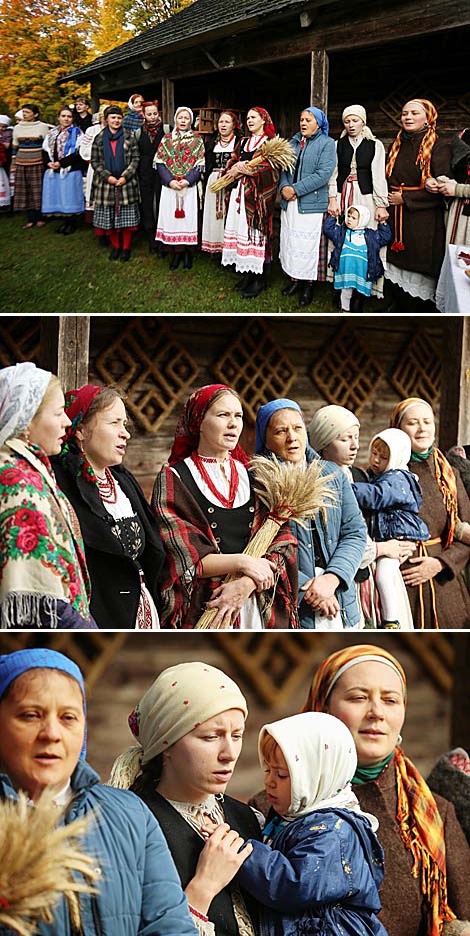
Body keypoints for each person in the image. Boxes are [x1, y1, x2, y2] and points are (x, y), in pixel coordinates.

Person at [0, 647, 198, 936]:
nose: (52, 734)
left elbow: (170, 926)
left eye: (68, 718)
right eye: (30, 715)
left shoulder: (130, 814)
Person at [303, 644, 470, 936]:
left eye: (391, 700)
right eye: (358, 698)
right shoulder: (276, 808)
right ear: (323, 707)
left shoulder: (435, 814)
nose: (377, 713)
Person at [109, 661, 260, 936]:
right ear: (167, 743)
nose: (229, 753)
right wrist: (204, 886)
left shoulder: (247, 817)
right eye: (211, 736)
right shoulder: (133, 824)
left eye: (237, 735)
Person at [152, 383, 298, 629]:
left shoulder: (257, 475)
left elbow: (283, 541)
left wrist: (246, 584)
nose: (233, 424)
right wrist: (242, 563)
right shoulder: (174, 478)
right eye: (223, 415)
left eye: (238, 416)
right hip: (205, 606)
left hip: (256, 604)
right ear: (198, 421)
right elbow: (182, 555)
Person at [237, 711, 387, 936]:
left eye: (282, 775)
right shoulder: (292, 817)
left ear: (317, 777)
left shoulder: (333, 833)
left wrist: (242, 852)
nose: (269, 781)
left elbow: (293, 885)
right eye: (267, 770)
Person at [52, 384, 165, 630]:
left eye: (124, 425)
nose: (125, 434)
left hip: (141, 611)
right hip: (96, 615)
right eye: (114, 423)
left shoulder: (123, 481)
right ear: (80, 429)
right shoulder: (60, 485)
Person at [255, 398, 367, 629]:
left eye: (297, 428)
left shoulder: (331, 474)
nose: (292, 437)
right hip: (292, 600)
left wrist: (332, 578)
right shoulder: (257, 483)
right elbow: (260, 547)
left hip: (340, 596)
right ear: (265, 439)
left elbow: (355, 532)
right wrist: (310, 589)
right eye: (280, 431)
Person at [0, 363, 94, 629]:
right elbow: (40, 599)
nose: (67, 421)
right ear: (26, 420)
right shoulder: (16, 480)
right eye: (58, 413)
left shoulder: (33, 470)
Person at [309, 404, 417, 629]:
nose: (354, 445)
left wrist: (402, 543)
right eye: (345, 439)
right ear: (324, 441)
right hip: (336, 580)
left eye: (356, 437)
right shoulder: (316, 483)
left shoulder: (359, 476)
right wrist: (384, 548)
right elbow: (333, 543)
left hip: (369, 578)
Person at [390, 397, 470, 627]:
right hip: (402, 577)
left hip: (444, 581)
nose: (422, 428)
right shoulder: (386, 473)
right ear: (398, 430)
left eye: (427, 421)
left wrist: (440, 564)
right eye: (413, 423)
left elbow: (466, 532)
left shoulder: (449, 474)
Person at [351, 428, 429, 629]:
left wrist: (347, 487)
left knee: (385, 575)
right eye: (374, 454)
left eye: (383, 457)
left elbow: (376, 496)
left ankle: (391, 620)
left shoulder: (397, 478)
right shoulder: (382, 475)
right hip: (390, 536)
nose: (376, 460)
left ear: (396, 458)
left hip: (399, 536)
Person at [385, 99, 450, 309]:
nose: (408, 117)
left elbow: (442, 188)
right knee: (396, 261)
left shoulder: (438, 146)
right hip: (396, 213)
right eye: (405, 114)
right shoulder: (397, 144)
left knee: (418, 263)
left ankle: (417, 308)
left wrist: (405, 198)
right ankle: (397, 303)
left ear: (427, 118)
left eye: (414, 113)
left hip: (422, 219)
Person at [328, 104, 390, 302]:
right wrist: (333, 198)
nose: (351, 124)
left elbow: (379, 176)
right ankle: (341, 283)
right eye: (347, 121)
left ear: (363, 121)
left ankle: (362, 287)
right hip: (343, 195)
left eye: (355, 120)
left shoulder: (374, 145)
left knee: (365, 239)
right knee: (342, 237)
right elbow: (334, 174)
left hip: (366, 197)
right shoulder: (339, 145)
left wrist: (381, 204)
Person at [279, 106, 336, 308]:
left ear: (319, 123)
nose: (303, 123)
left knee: (308, 246)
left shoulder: (327, 144)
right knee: (292, 242)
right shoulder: (294, 142)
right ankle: (295, 279)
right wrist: (285, 186)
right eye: (302, 119)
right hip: (291, 203)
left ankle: (308, 285)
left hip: (310, 204)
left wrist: (295, 189)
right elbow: (284, 168)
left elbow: (323, 174)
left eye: (308, 120)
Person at [221, 106, 278, 299]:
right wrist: (233, 167)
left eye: (253, 117)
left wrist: (250, 171)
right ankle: (247, 273)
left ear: (263, 120)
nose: (249, 121)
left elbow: (273, 170)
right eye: (247, 118)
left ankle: (259, 278)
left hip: (257, 197)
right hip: (240, 193)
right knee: (241, 232)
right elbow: (234, 159)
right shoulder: (243, 141)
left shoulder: (271, 143)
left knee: (255, 234)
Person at [154, 106, 205, 270]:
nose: (183, 121)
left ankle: (188, 254)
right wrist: (170, 181)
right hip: (170, 188)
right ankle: (176, 254)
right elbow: (160, 162)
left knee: (188, 221)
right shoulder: (166, 139)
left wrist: (187, 180)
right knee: (172, 221)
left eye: (186, 118)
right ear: (175, 119)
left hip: (188, 189)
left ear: (191, 121)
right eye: (180, 117)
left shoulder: (197, 140)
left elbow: (200, 164)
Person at [91, 105, 140, 262]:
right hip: (106, 184)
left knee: (126, 219)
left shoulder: (129, 136)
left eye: (119, 117)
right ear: (106, 120)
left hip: (126, 182)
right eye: (113, 117)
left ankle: (126, 248)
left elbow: (135, 159)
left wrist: (125, 176)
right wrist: (108, 177)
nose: (116, 120)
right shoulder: (99, 138)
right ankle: (116, 247)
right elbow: (95, 161)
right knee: (110, 218)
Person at [323, 204, 392, 312]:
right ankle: (345, 309)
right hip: (346, 271)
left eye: (354, 218)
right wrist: (332, 217)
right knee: (346, 291)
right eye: (348, 216)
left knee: (360, 291)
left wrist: (383, 223)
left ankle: (356, 306)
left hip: (362, 272)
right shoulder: (342, 232)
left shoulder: (371, 236)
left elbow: (385, 237)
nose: (349, 219)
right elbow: (328, 230)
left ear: (363, 220)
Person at [201, 111, 241, 256]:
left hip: (232, 181)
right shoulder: (211, 143)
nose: (223, 125)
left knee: (229, 212)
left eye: (227, 122)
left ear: (234, 125)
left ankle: (229, 248)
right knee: (214, 213)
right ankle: (215, 246)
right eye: (221, 122)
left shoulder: (239, 142)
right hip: (214, 180)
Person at [41, 106, 85, 235]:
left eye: (69, 116)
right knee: (60, 195)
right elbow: (45, 149)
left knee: (69, 196)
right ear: (58, 117)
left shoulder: (77, 133)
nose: (66, 119)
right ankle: (64, 221)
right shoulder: (52, 132)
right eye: (63, 116)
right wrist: (48, 163)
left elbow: (77, 152)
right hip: (53, 168)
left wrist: (61, 163)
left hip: (69, 169)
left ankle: (72, 223)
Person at [11, 104, 50, 228]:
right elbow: (14, 147)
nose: (24, 114)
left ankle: (40, 218)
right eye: (23, 112)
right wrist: (13, 163)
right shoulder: (17, 128)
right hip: (21, 162)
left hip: (38, 162)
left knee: (37, 190)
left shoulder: (43, 127)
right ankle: (30, 218)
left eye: (27, 112)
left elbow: (47, 146)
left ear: (36, 114)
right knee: (25, 190)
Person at [136, 100, 164, 254]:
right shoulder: (139, 133)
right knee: (147, 205)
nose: (152, 117)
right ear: (144, 115)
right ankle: (150, 238)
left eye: (155, 113)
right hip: (145, 173)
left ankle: (162, 239)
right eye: (149, 114)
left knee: (161, 204)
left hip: (162, 174)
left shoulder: (166, 130)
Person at [436, 128, 470, 247]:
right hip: (458, 211)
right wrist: (439, 182)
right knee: (457, 259)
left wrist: (458, 189)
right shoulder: (462, 138)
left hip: (463, 204)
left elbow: (457, 187)